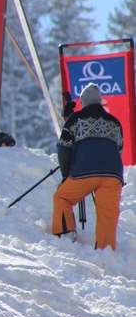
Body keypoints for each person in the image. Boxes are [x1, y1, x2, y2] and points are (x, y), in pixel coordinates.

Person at [51, 83, 123, 250]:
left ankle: (66, 234)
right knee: (108, 215)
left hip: (84, 172)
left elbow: (63, 147)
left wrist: (66, 174)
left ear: (82, 102)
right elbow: (119, 148)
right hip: (113, 174)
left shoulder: (75, 119)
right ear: (100, 102)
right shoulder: (114, 122)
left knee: (62, 197)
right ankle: (106, 251)